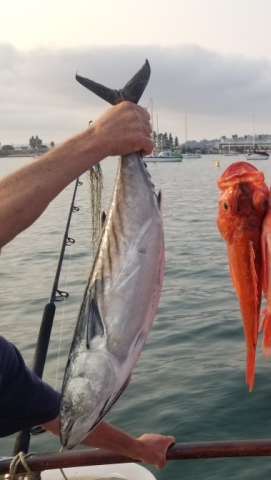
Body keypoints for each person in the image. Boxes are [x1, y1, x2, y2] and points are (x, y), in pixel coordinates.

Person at [0, 102, 175, 469]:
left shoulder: (5, 366)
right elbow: (60, 417)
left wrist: (138, 449)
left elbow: (52, 412)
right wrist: (97, 139)